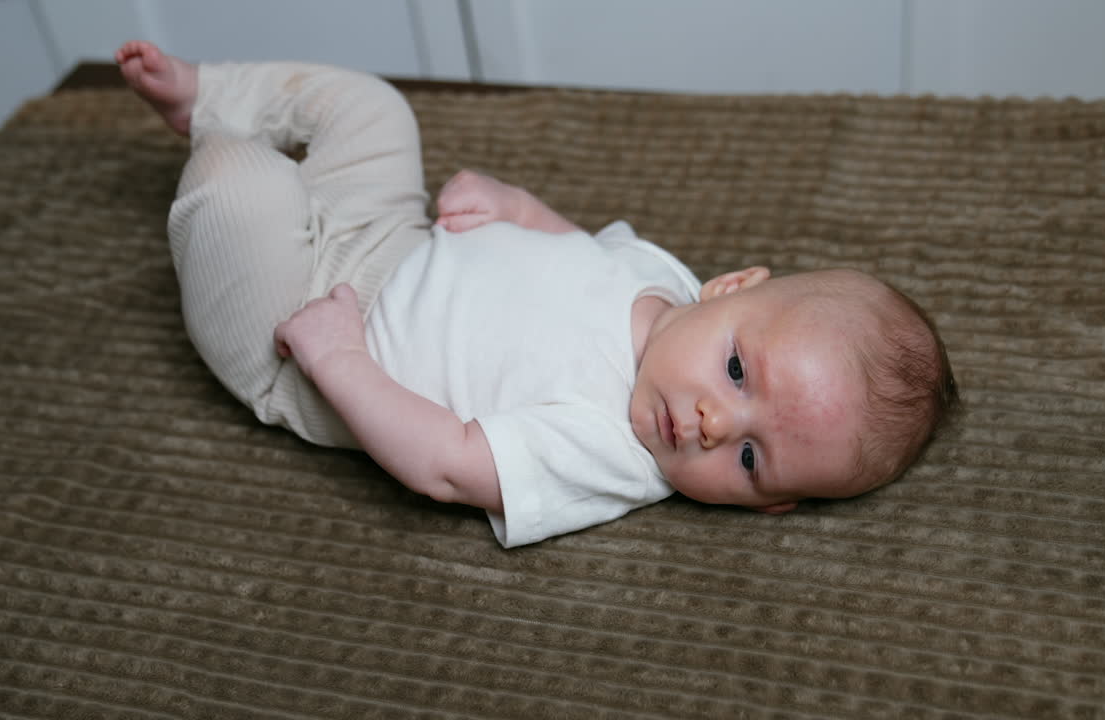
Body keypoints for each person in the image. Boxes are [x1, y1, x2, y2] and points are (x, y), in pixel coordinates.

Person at [115, 41, 959, 547]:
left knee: (241, 183)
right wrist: (518, 209)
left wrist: (335, 356)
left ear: (771, 504)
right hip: (394, 240)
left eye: (748, 458)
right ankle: (211, 98)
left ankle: (221, 145)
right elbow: (584, 253)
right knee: (376, 109)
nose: (712, 423)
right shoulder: (667, 283)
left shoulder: (612, 455)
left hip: (301, 340)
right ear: (730, 287)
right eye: (740, 373)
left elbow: (446, 465)